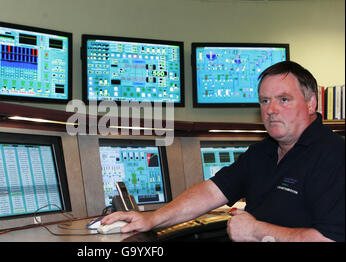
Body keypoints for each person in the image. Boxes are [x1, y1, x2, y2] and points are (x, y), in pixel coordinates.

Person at [101, 61, 345, 242]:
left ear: (311, 103)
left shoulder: (334, 156)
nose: (271, 110)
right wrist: (151, 218)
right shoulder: (263, 151)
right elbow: (210, 192)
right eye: (264, 101)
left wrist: (256, 231)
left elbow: (331, 239)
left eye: (283, 99)